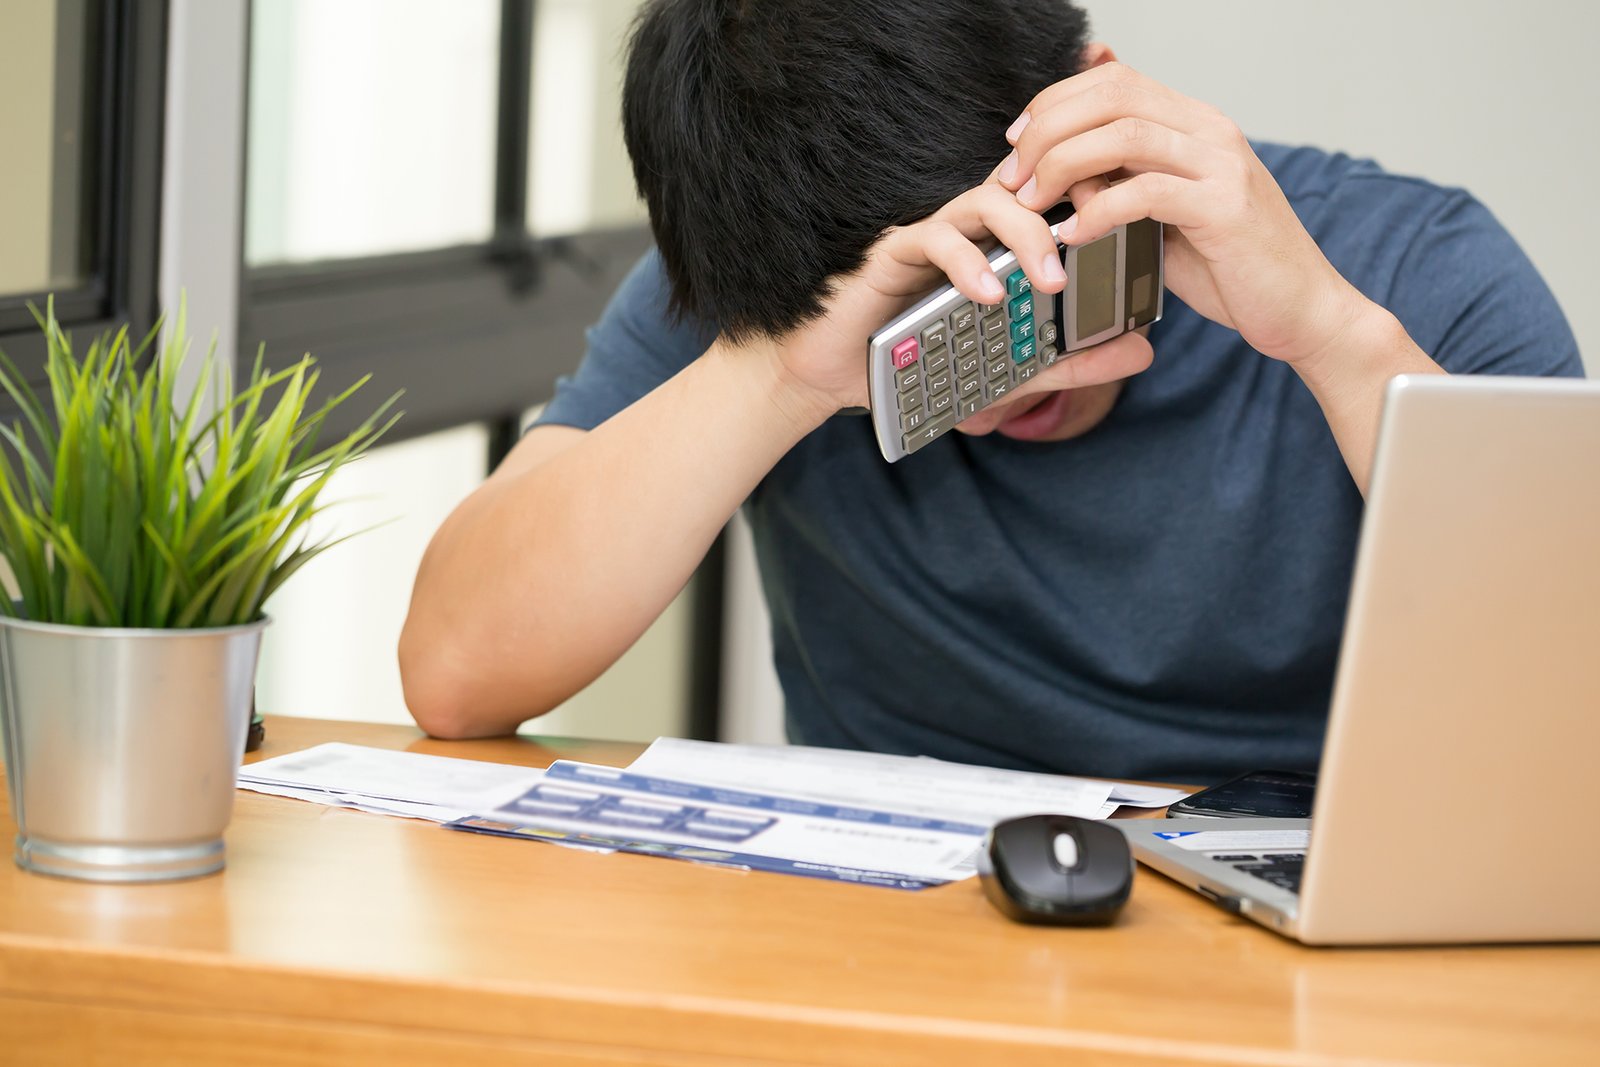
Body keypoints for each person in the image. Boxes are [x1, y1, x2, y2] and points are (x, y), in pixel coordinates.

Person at [398, 0, 1582, 782]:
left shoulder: (1413, 269)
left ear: (1098, 102)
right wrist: (785, 371)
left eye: (1010, 266)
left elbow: (1567, 703)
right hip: (893, 949)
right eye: (910, 324)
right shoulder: (767, 283)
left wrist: (1328, 338)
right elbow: (455, 670)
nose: (983, 389)